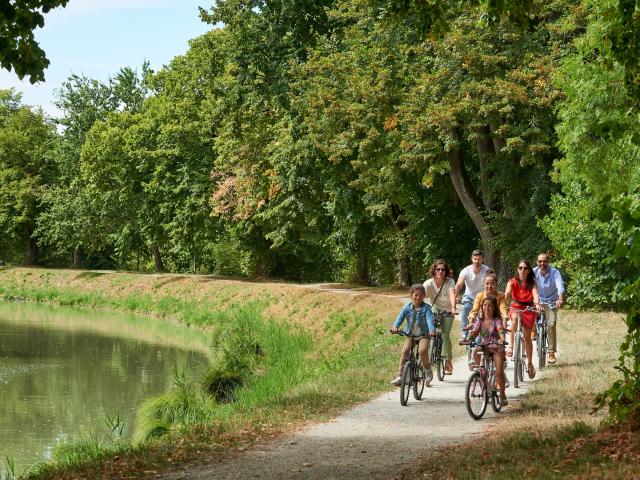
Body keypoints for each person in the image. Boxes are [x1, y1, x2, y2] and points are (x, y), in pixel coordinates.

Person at [390, 284, 435, 386]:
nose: (418, 297)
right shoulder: (407, 307)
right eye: (416, 295)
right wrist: (395, 327)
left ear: (424, 296)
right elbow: (400, 317)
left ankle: (427, 370)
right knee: (405, 351)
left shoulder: (426, 308)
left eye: (421, 295)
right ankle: (401, 376)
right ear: (411, 295)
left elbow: (429, 319)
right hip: (410, 334)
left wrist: (432, 330)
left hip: (424, 334)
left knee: (422, 350)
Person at [504, 259, 541, 379]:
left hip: (529, 307)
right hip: (516, 305)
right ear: (517, 269)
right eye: (520, 268)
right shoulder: (512, 282)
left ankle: (530, 363)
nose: (522, 270)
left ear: (529, 270)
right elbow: (507, 293)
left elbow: (535, 295)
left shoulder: (532, 283)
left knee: (527, 338)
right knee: (514, 318)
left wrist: (537, 304)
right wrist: (504, 299)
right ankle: (510, 345)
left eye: (525, 268)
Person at [468, 295, 508, 405]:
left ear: (494, 308)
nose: (487, 308)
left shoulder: (497, 320)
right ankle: (480, 373)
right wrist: (469, 338)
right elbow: (474, 331)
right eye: (485, 305)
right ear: (482, 307)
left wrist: (502, 339)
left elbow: (500, 330)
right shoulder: (480, 321)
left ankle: (503, 395)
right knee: (477, 349)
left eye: (489, 306)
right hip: (485, 346)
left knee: (499, 372)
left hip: (496, 347)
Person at [423, 259, 457, 375]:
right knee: (429, 331)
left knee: (445, 334)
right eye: (438, 269)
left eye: (443, 269)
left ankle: (448, 361)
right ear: (434, 270)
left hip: (448, 310)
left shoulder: (450, 281)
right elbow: (421, 295)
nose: (440, 271)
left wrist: (453, 308)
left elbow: (452, 293)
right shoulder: (428, 283)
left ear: (446, 271)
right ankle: (427, 355)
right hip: (435, 308)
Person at [533, 253, 565, 364]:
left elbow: (559, 285)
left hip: (552, 301)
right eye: (540, 261)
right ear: (537, 262)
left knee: (551, 325)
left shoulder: (555, 272)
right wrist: (535, 301)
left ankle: (551, 352)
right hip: (538, 301)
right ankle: (534, 330)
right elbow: (530, 286)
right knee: (528, 315)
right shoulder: (534, 272)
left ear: (548, 262)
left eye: (544, 261)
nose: (542, 263)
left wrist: (560, 299)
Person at [455, 249, 491, 341]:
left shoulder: (487, 270)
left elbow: (491, 282)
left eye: (479, 259)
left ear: (482, 260)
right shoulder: (466, 270)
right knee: (465, 309)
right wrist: (456, 297)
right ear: (472, 259)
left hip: (482, 297)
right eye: (475, 259)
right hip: (469, 296)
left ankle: (482, 335)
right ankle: (464, 333)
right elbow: (459, 285)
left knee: (482, 316)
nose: (476, 261)